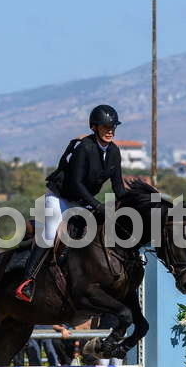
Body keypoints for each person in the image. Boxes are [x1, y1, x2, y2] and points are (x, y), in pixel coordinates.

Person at [14, 104, 128, 302]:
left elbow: (118, 187)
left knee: (93, 235)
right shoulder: (84, 147)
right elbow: (76, 183)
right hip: (60, 199)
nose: (110, 131)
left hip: (82, 201)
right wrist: (97, 205)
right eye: (106, 127)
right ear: (95, 127)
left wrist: (127, 206)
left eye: (113, 127)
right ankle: (27, 282)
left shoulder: (114, 152)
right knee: (50, 234)